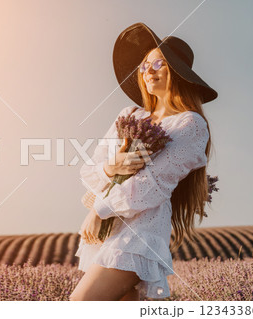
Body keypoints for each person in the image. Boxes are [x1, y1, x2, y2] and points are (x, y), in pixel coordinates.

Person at [70, 22, 218, 301]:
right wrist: (111, 167)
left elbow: (152, 185)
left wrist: (98, 210)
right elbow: (89, 170)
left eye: (159, 63)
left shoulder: (190, 123)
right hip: (109, 231)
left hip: (140, 232)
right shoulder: (130, 115)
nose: (148, 71)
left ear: (178, 73)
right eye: (144, 65)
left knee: (81, 302)